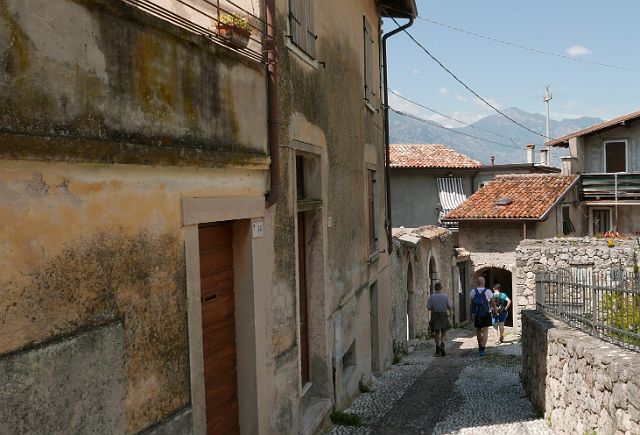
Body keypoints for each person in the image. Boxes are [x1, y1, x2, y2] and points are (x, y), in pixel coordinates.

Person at [470, 276, 495, 356]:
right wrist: (495, 309)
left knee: (478, 330)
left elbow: (472, 303)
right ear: (484, 283)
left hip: (477, 313)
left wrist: (471, 313)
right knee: (485, 330)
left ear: (477, 283)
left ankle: (479, 346)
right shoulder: (488, 291)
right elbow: (493, 301)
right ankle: (483, 349)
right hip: (486, 312)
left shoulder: (473, 291)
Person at [427, 282, 453, 356]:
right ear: (441, 288)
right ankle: (442, 343)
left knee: (436, 332)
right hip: (443, 315)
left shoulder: (432, 297)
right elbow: (450, 306)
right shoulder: (445, 296)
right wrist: (450, 316)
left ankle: (437, 348)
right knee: (443, 331)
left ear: (435, 288)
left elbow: (429, 307)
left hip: (435, 316)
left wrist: (434, 307)